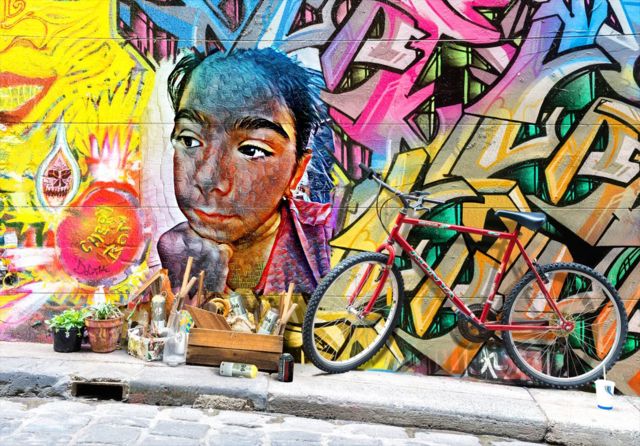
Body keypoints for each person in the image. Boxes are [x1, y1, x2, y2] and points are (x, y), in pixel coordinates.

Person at [157, 48, 332, 297]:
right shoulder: (174, 250)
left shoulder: (331, 240)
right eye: (190, 140)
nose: (207, 178)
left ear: (297, 171)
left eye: (252, 150)